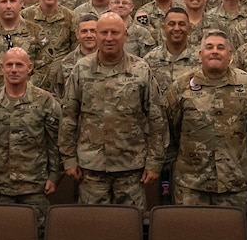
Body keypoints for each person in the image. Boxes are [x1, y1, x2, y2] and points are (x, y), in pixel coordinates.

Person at [59, 13, 167, 208]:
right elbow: (68, 117)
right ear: (97, 35)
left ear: (125, 35)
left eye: (115, 32)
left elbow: (156, 118)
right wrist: (68, 159)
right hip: (91, 168)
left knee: (130, 226)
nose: (109, 38)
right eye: (104, 33)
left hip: (131, 166)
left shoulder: (141, 69)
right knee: (94, 226)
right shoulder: (81, 69)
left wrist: (154, 162)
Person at [165, 31, 247, 210]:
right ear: (200, 54)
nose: (215, 51)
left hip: (233, 184)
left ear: (230, 55)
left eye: (221, 47)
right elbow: (171, 128)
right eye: (209, 47)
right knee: (188, 236)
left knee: (232, 236)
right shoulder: (181, 86)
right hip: (191, 185)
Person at [0, 48, 62, 221]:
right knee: (1, 238)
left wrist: (55, 176)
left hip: (35, 186)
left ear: (29, 68)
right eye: (9, 65)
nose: (14, 69)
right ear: (2, 68)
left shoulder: (45, 100)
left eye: (19, 65)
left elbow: (55, 142)